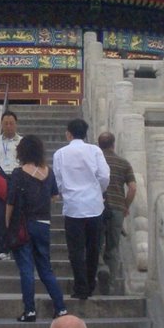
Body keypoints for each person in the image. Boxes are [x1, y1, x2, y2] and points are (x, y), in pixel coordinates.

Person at [5, 134, 67, 323]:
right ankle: (61, 307)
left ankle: (30, 310)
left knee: (26, 268)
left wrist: (8, 225)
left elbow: (11, 202)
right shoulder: (48, 172)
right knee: (45, 268)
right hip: (43, 224)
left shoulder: (18, 173)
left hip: (24, 224)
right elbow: (55, 196)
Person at [52, 118, 110, 301]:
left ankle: (80, 286)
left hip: (73, 207)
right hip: (94, 206)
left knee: (76, 250)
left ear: (68, 133)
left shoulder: (60, 153)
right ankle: (90, 284)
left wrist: (64, 192)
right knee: (93, 248)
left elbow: (58, 179)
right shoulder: (95, 150)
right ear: (85, 134)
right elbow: (104, 176)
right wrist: (96, 190)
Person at [97, 133, 137, 295]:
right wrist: (125, 205)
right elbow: (133, 188)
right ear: (114, 144)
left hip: (97, 208)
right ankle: (111, 284)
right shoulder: (124, 163)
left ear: (98, 145)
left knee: (96, 244)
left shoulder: (95, 162)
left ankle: (101, 267)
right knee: (113, 248)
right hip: (117, 208)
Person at [0, 110, 21, 260]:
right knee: (0, 214)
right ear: (1, 125)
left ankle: (17, 248)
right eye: (5, 123)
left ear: (16, 124)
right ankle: (2, 249)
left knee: (17, 214)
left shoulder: (22, 141)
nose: (8, 126)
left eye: (11, 123)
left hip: (16, 176)